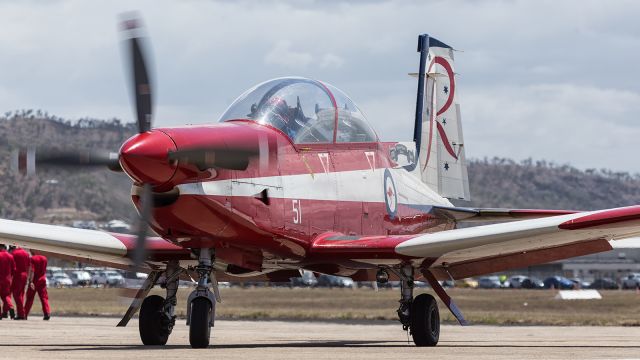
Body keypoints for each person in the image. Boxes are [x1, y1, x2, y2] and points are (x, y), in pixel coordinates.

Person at [24, 251, 50, 320]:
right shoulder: (45, 258)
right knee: (44, 298)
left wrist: (31, 281)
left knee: (29, 298)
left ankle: (25, 314)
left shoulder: (32, 258)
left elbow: (32, 271)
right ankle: (47, 313)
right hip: (42, 279)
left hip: (35, 281)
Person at [10, 247, 30, 320]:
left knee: (16, 295)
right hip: (24, 275)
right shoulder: (26, 253)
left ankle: (21, 314)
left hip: (17, 275)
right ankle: (21, 313)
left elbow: (12, 266)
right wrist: (27, 276)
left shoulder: (14, 253)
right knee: (21, 294)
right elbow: (28, 266)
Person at [0, 244, 15, 319]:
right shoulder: (10, 256)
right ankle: (11, 307)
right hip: (7, 280)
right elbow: (13, 269)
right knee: (6, 296)